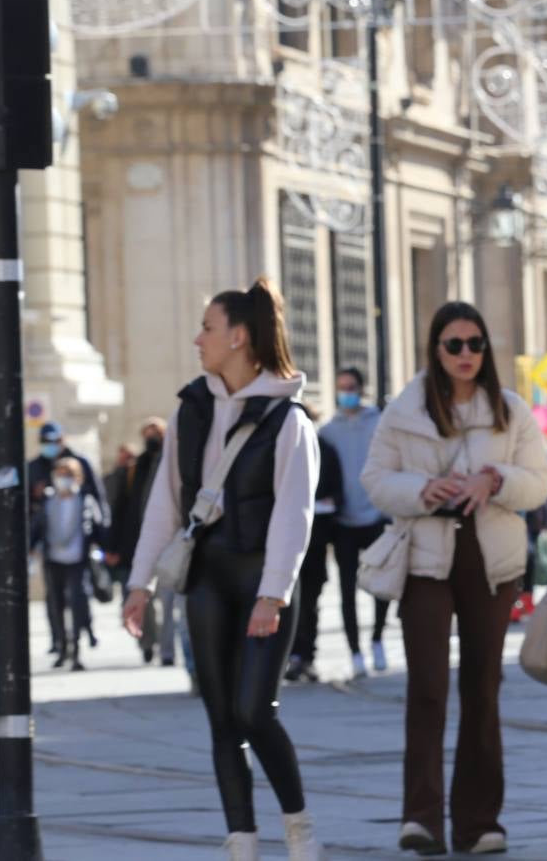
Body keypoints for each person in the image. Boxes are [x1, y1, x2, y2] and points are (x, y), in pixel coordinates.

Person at [122, 276, 324, 861]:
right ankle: (241, 838)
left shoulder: (290, 423)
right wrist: (140, 584)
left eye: (207, 328)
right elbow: (165, 502)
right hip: (208, 577)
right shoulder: (190, 411)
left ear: (239, 336)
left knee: (254, 711)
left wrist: (274, 595)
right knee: (220, 718)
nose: (197, 339)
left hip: (264, 579)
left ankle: (298, 824)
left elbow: (295, 516)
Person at [362, 301, 547, 857]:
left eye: (475, 344)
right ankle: (421, 817)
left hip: (491, 560)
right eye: (454, 344)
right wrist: (423, 490)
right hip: (425, 556)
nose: (466, 354)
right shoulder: (407, 408)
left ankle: (479, 822)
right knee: (427, 689)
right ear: (436, 350)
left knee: (482, 689)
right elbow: (374, 479)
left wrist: (496, 479)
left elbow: (539, 484)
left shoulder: (511, 410)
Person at [321, 367, 393, 675]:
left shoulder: (379, 424)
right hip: (343, 522)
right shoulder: (327, 431)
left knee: (380, 585)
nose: (345, 392)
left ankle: (377, 639)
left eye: (351, 387)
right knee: (347, 588)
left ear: (362, 389)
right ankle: (354, 651)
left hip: (375, 516)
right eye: (341, 387)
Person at [28, 420, 107, 657]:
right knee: (55, 600)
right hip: (52, 551)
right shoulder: (36, 472)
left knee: (79, 596)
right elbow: (33, 517)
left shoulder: (82, 481)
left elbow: (98, 506)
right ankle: (60, 642)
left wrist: (104, 543)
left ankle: (83, 635)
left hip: (79, 552)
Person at [106, 417, 176, 667]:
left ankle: (167, 651)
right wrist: (113, 546)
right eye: (146, 433)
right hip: (137, 544)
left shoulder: (172, 461)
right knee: (141, 597)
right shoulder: (136, 468)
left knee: (168, 602)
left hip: (172, 543)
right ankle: (148, 643)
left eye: (155, 432)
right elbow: (122, 508)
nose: (151, 437)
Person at [286, 406, 344, 682]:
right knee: (284, 604)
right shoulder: (279, 450)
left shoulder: (326, 451)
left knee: (309, 603)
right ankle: (290, 656)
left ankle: (307, 656)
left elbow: (337, 495)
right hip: (284, 546)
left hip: (315, 543)